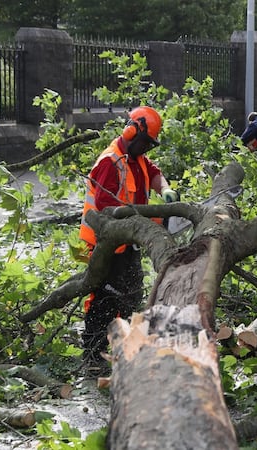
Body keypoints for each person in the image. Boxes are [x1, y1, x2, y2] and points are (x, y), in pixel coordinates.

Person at [79, 105, 176, 366]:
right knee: (105, 299)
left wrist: (165, 190)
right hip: (106, 244)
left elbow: (154, 172)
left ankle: (121, 348)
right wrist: (146, 220)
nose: (146, 148)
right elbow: (105, 209)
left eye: (149, 145)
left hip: (128, 242)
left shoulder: (136, 158)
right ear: (131, 131)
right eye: (144, 142)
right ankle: (93, 353)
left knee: (131, 293)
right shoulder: (110, 162)